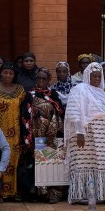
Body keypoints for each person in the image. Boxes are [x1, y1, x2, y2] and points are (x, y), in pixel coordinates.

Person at [64, 61, 105, 207]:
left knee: (100, 164)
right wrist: (80, 132)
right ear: (87, 76)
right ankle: (81, 195)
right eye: (94, 76)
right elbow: (74, 112)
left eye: (100, 76)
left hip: (102, 138)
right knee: (81, 164)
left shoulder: (102, 93)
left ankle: (100, 194)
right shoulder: (79, 89)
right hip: (84, 136)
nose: (97, 79)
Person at [20, 68, 65, 203]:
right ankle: (38, 194)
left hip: (51, 136)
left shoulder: (54, 95)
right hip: (35, 136)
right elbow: (24, 115)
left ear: (48, 80)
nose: (40, 81)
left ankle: (52, 194)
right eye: (38, 78)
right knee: (37, 165)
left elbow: (60, 114)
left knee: (51, 165)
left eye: (43, 79)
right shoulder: (30, 95)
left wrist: (54, 131)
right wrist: (27, 136)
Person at [0, 62, 27, 200]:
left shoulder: (20, 90)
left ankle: (13, 193)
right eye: (5, 72)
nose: (8, 75)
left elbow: (26, 110)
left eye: (11, 73)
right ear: (1, 74)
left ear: (14, 75)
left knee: (14, 161)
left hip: (16, 132)